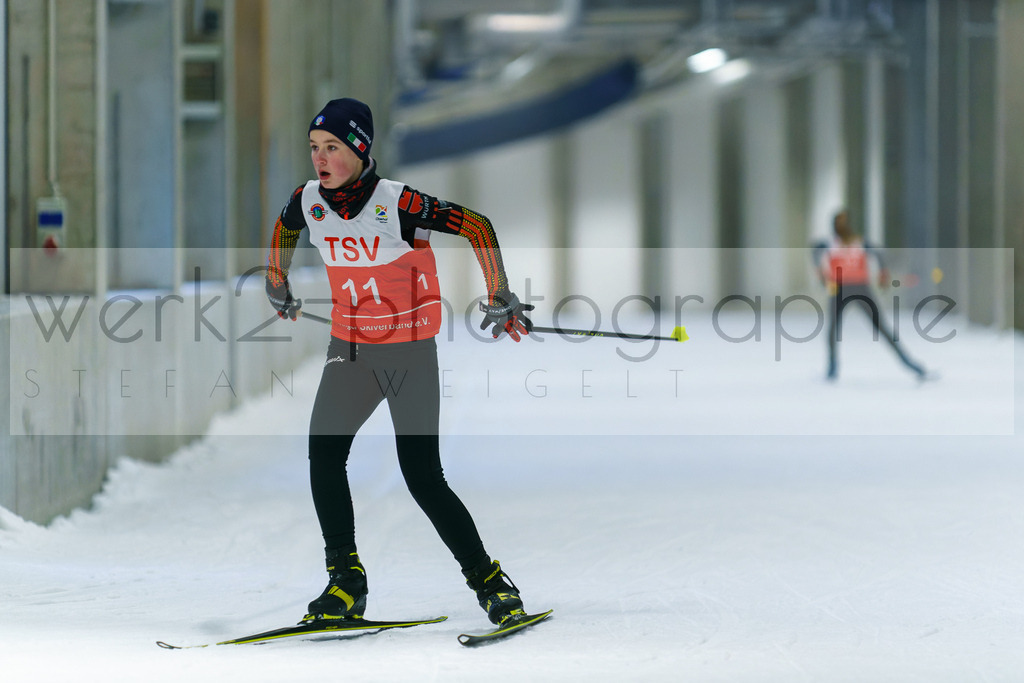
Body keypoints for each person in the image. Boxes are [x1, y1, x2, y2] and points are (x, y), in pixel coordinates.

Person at [264, 97, 534, 626]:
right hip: (350, 350)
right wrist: (277, 282)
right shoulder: (309, 200)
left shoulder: (398, 202)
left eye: (333, 148)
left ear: (360, 149)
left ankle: (489, 582)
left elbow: (477, 226)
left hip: (408, 352)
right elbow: (285, 227)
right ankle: (345, 582)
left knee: (421, 475)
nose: (320, 158)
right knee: (324, 457)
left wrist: (499, 290)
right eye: (314, 148)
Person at [811, 209, 928, 381]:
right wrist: (821, 273)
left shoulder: (858, 242)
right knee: (833, 329)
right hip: (840, 288)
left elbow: (879, 255)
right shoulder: (830, 243)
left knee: (879, 327)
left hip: (859, 288)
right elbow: (815, 252)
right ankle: (832, 368)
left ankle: (908, 362)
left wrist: (883, 273)